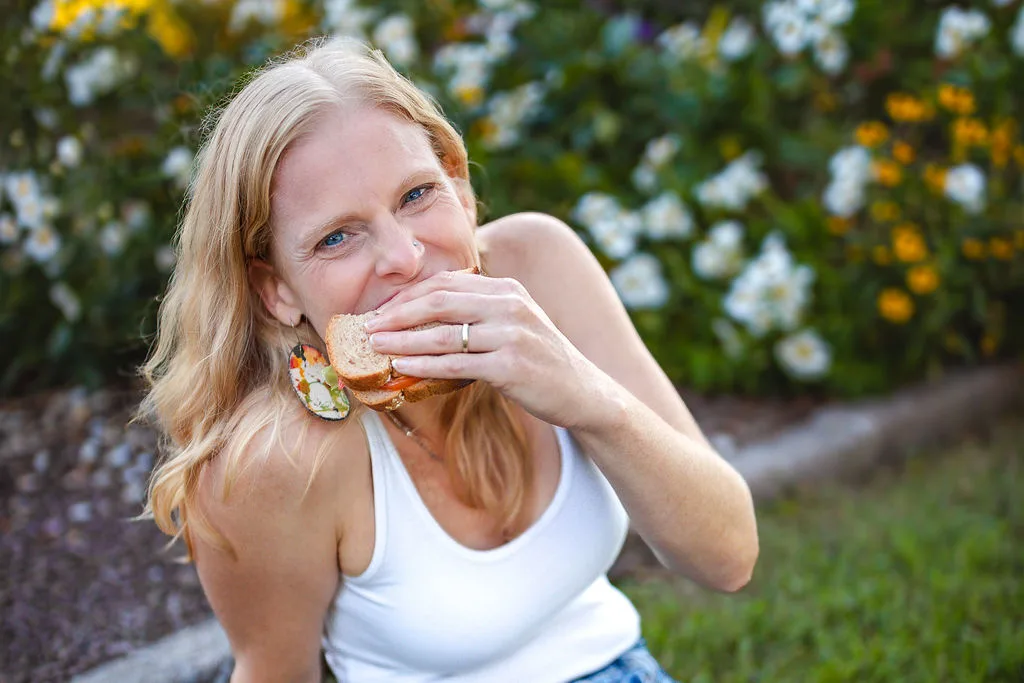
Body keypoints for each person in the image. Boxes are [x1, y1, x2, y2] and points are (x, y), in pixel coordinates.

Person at [140, 36, 759, 683]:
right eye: (337, 236)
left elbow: (729, 556)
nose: (403, 257)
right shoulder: (277, 457)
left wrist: (588, 399)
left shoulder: (538, 267)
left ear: (459, 186)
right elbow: (274, 672)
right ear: (277, 287)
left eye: (415, 195)